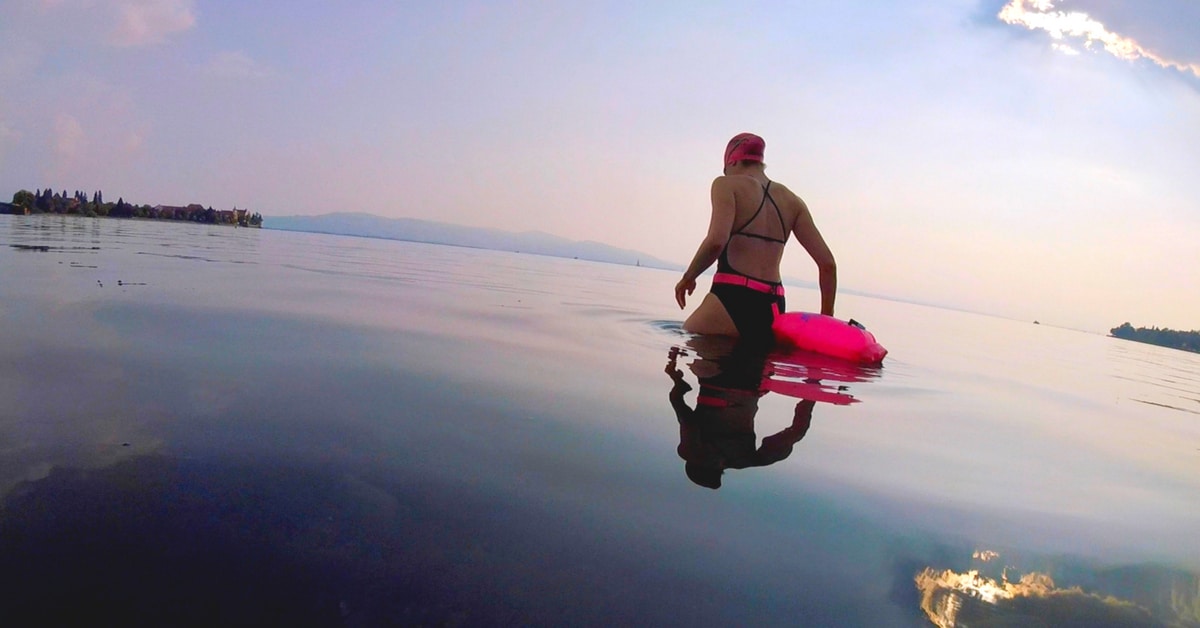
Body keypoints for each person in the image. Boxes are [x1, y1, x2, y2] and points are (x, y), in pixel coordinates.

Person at [674, 133, 837, 346]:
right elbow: (828, 265)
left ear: (731, 161)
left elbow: (716, 241)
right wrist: (826, 321)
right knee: (752, 374)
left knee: (681, 346)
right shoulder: (793, 201)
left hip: (732, 298)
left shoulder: (725, 185)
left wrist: (689, 276)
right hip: (773, 306)